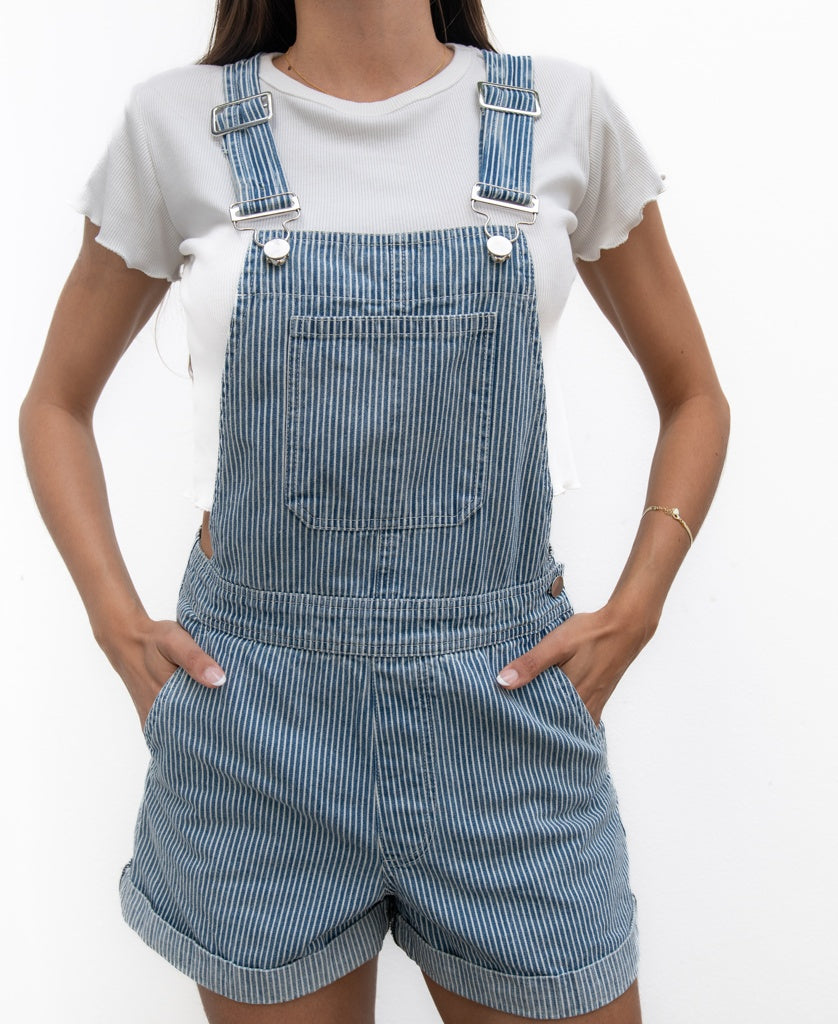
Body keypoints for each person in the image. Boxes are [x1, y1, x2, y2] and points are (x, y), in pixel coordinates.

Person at [18, 0, 730, 1021]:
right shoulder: (174, 124)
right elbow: (55, 404)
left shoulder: (561, 114)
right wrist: (113, 621)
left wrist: (640, 603)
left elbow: (694, 394)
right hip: (254, 724)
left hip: (505, 715)